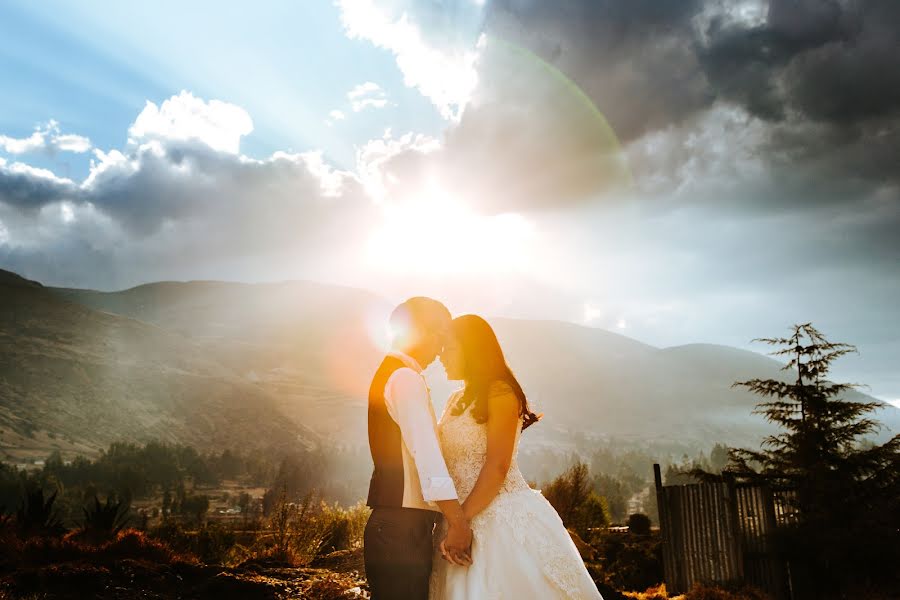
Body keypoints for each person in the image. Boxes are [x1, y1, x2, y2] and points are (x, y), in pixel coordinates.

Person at [429, 314, 604, 599]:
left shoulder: (500, 392)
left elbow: (497, 466)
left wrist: (462, 522)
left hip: (501, 520)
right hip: (457, 522)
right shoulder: (453, 401)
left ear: (471, 349)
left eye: (448, 348)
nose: (441, 356)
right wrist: (453, 522)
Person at [364, 297, 474, 600]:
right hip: (400, 528)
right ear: (420, 330)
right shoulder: (404, 378)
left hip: (398, 524)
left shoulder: (396, 373)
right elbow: (427, 457)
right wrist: (458, 522)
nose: (441, 347)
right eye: (440, 333)